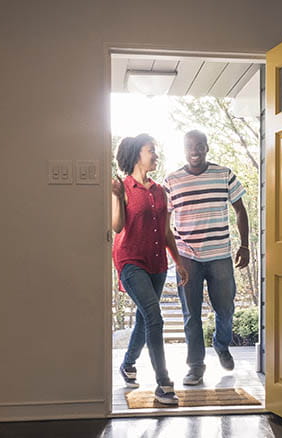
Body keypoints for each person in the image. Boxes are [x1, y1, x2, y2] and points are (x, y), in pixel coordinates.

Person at [164, 129, 250, 386]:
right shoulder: (172, 181)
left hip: (220, 255)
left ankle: (221, 345)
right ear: (184, 149)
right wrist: (173, 257)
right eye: (190, 146)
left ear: (207, 147)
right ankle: (195, 366)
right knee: (191, 314)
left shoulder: (224, 174)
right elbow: (164, 225)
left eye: (200, 145)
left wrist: (245, 245)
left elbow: (240, 210)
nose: (195, 150)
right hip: (187, 257)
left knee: (225, 308)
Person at [111, 134, 188, 405]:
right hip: (130, 261)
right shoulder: (121, 186)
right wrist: (115, 196)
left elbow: (166, 232)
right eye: (150, 151)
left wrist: (178, 262)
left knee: (145, 318)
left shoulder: (159, 191)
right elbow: (118, 226)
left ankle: (128, 363)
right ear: (136, 155)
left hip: (157, 263)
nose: (155, 155)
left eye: (155, 151)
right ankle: (163, 383)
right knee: (155, 317)